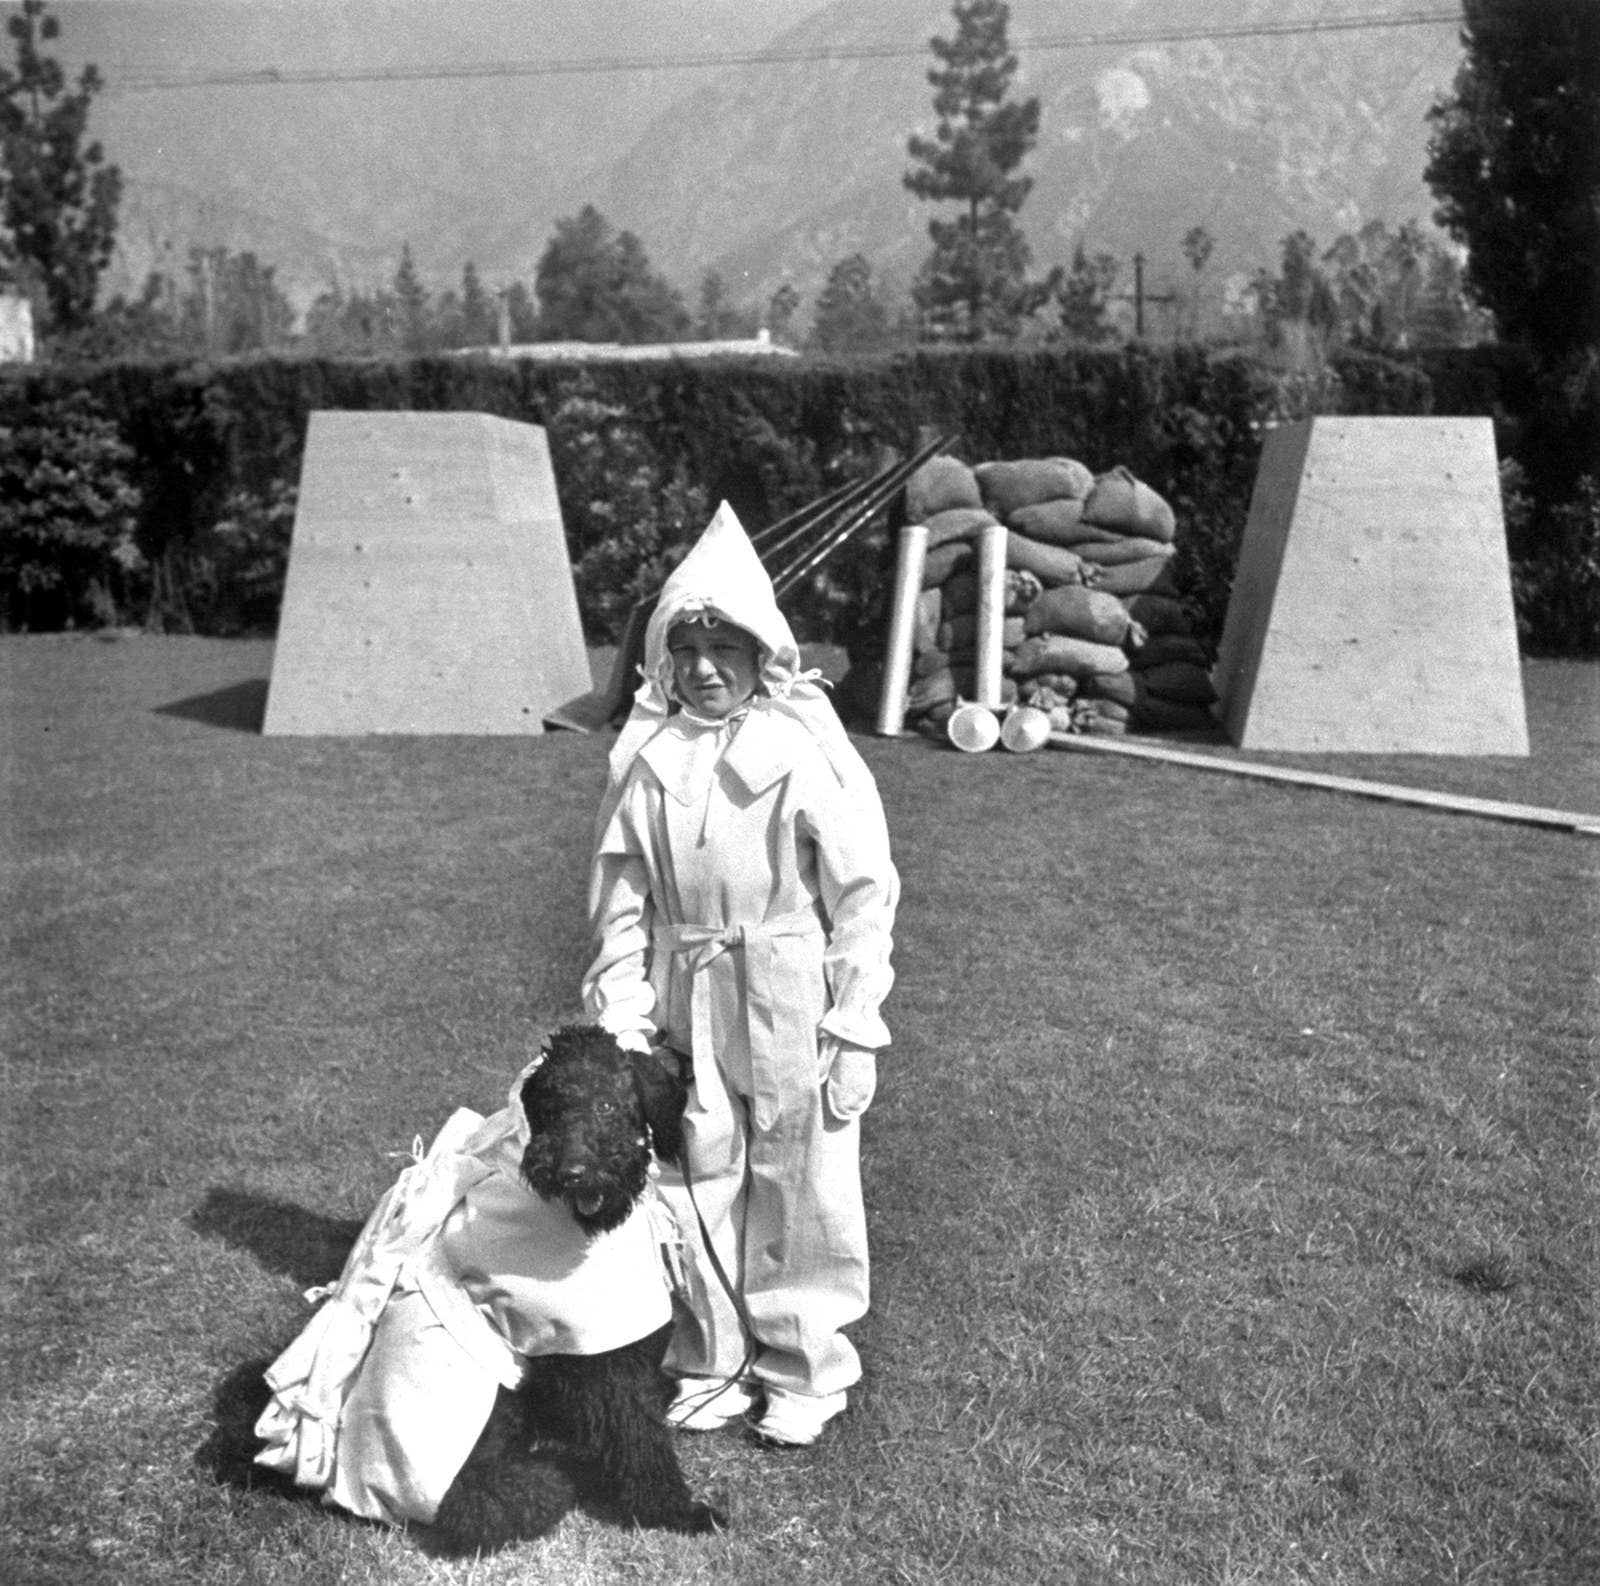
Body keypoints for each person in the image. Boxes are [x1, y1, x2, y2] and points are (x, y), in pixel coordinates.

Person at [583, 502, 899, 1447]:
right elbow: (619, 907)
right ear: (662, 662)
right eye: (686, 648)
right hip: (690, 992)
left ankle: (805, 1364)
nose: (706, 666)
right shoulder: (645, 766)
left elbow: (863, 896)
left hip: (790, 983)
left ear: (765, 656)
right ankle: (712, 1354)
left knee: (801, 1170)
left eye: (726, 645)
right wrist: (625, 1025)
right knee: (696, 1166)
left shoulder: (804, 754)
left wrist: (854, 1023)